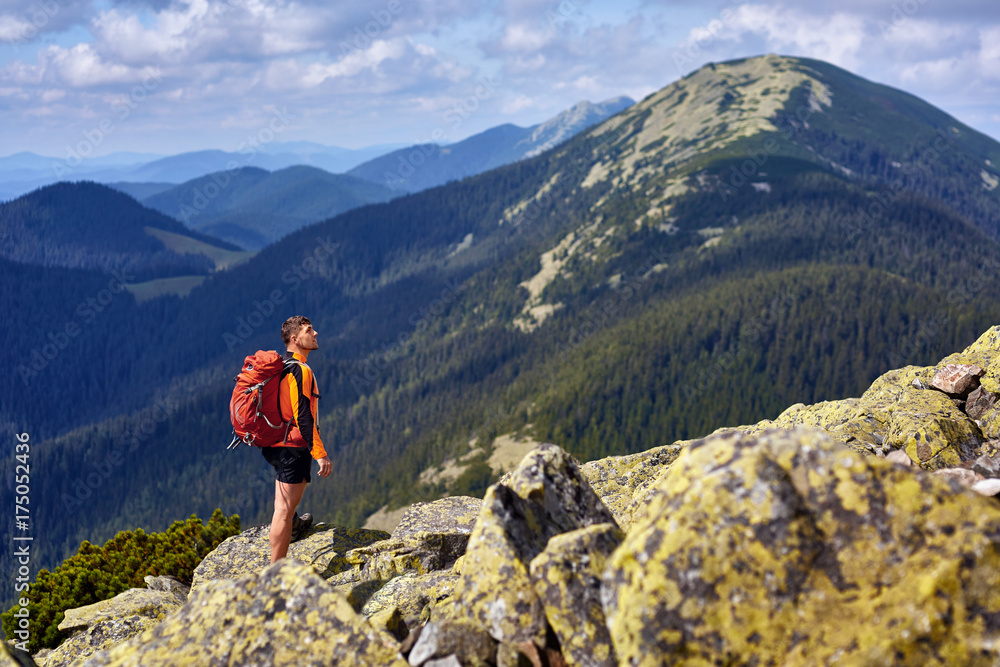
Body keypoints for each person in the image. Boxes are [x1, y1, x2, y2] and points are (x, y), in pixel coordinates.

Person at [263, 315, 332, 563]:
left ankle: (295, 526)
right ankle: (275, 571)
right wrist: (320, 454)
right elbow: (304, 417)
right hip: (293, 447)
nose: (315, 334)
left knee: (284, 505)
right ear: (295, 339)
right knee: (282, 510)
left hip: (275, 443)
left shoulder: (282, 366)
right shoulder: (301, 370)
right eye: (309, 330)